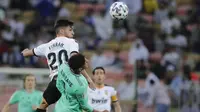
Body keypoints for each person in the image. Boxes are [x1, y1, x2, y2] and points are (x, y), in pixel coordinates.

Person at [21, 19, 95, 112]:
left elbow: (28, 53)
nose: (73, 32)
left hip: (55, 82)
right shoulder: (71, 42)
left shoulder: (46, 46)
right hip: (71, 82)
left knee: (42, 107)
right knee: (81, 107)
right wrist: (88, 78)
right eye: (70, 30)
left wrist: (25, 52)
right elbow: (75, 61)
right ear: (62, 31)